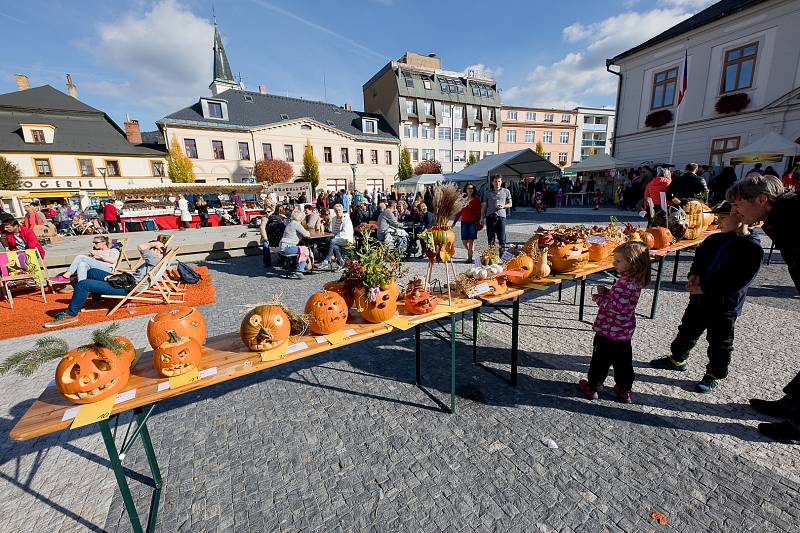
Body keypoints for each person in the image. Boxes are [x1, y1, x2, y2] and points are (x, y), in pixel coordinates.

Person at [650, 202, 763, 392]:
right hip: (699, 300)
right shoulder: (714, 240)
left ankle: (715, 374)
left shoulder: (752, 249)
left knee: (720, 342)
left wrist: (705, 288)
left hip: (725, 305)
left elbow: (737, 282)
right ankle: (678, 358)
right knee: (687, 329)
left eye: (723, 217)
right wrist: (693, 275)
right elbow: (699, 260)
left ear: (740, 216)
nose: (717, 221)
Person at [727, 173, 800, 443]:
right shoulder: (783, 214)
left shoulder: (791, 216)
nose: (733, 211)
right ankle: (791, 405)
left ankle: (797, 426)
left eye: (737, 205)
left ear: (761, 199)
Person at [578, 241, 651, 403]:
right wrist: (610, 292)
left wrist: (600, 297)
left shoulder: (624, 283)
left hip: (608, 331)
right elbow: (623, 301)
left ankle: (593, 387)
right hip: (623, 333)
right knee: (623, 363)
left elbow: (616, 307)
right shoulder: (633, 281)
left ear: (632, 263)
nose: (613, 263)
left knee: (600, 361)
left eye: (618, 261)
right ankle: (624, 389)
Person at [43, 240, 165, 328]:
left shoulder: (155, 259)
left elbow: (140, 245)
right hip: (125, 281)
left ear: (157, 251)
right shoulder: (156, 261)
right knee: (92, 271)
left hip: (126, 288)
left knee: (82, 284)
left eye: (153, 249)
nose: (151, 250)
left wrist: (154, 244)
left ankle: (70, 314)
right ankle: (97, 299)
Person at [49, 235, 121, 283]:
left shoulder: (113, 250)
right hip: (98, 267)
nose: (95, 244)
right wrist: (92, 258)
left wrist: (100, 256)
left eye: (96, 243)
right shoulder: (97, 251)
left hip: (108, 269)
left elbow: (113, 260)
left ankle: (67, 276)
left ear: (104, 242)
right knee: (82, 264)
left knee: (80, 257)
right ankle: (82, 284)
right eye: (94, 243)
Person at [317, 203, 354, 271]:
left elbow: (345, 232)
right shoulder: (334, 219)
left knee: (332, 241)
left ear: (342, 210)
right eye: (336, 210)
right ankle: (342, 264)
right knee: (334, 245)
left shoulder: (346, 218)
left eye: (339, 210)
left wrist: (335, 237)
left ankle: (327, 259)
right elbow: (333, 231)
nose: (338, 212)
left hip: (346, 239)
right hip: (337, 239)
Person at [481, 174, 512, 250]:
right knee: (491, 238)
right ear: (492, 182)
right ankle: (492, 256)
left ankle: (502, 256)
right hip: (490, 217)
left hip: (501, 217)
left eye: (499, 181)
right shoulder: (487, 193)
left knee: (502, 238)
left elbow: (510, 204)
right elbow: (484, 205)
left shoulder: (506, 191)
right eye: (495, 181)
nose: (497, 183)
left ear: (501, 182)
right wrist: (481, 217)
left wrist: (503, 206)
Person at [279, 209, 311, 279]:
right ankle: (299, 271)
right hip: (287, 248)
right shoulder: (296, 224)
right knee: (305, 249)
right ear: (301, 218)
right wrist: (308, 232)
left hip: (283, 246)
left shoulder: (291, 223)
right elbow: (306, 234)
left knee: (301, 249)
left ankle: (297, 266)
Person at [453, 183, 481, 263]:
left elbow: (479, 211)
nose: (470, 190)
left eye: (471, 188)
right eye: (468, 188)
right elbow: (459, 212)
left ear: (473, 190)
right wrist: (454, 222)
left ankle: (469, 258)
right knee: (464, 241)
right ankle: (470, 251)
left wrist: (479, 220)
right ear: (465, 189)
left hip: (472, 222)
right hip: (464, 222)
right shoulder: (462, 200)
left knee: (471, 240)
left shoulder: (476, 200)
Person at [259, 203, 277, 269]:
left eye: (269, 212)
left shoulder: (277, 217)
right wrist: (266, 238)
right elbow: (262, 228)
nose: (267, 213)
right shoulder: (264, 219)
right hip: (268, 237)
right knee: (265, 244)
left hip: (277, 236)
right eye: (266, 212)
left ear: (273, 211)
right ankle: (267, 262)